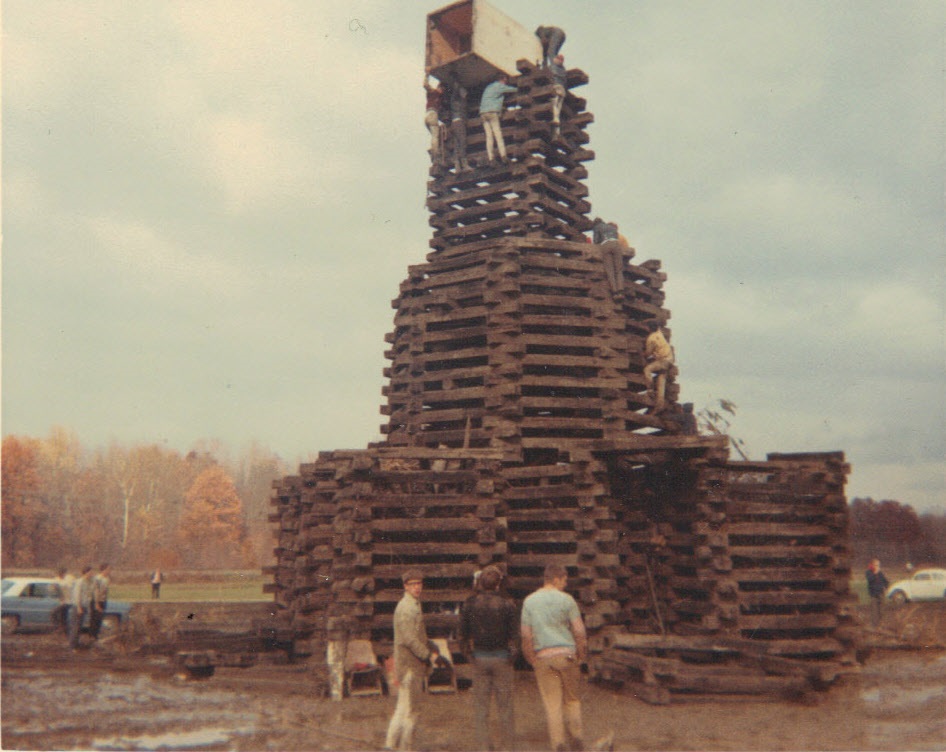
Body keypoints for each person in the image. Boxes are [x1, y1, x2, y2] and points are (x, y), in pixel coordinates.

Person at [521, 563, 587, 752]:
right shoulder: (567, 600)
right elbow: (579, 631)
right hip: (567, 655)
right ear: (556, 579)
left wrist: (531, 658)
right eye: (564, 580)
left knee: (552, 704)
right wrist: (581, 654)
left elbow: (526, 635)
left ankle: (558, 744)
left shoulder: (529, 601)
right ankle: (576, 738)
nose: (565, 584)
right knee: (572, 700)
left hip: (543, 657)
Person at [460, 565, 519, 751]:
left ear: (480, 583)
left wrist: (469, 656)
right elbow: (515, 636)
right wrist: (511, 657)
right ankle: (507, 747)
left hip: (479, 658)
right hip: (502, 658)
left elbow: (462, 636)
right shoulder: (507, 605)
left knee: (481, 707)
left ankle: (484, 747)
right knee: (505, 707)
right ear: (498, 584)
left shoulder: (469, 604)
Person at [384, 569, 440, 752]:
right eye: (413, 584)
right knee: (412, 711)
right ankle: (405, 748)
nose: (417, 587)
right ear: (405, 586)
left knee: (402, 708)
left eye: (419, 584)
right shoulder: (406, 608)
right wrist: (428, 655)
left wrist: (429, 646)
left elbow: (417, 635)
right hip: (409, 666)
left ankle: (389, 745)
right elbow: (409, 639)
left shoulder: (414, 604)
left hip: (410, 665)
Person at [480, 74, 518, 165]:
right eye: (506, 81)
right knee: (498, 134)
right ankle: (503, 156)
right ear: (503, 79)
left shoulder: (489, 86)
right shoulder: (500, 86)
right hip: (492, 112)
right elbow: (514, 90)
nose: (506, 83)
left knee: (489, 136)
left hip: (483, 113)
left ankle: (491, 158)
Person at [643, 321, 674, 414]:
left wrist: (643, 355)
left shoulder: (651, 338)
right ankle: (659, 406)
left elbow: (648, 353)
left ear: (649, 328)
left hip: (663, 361)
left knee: (647, 369)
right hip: (670, 360)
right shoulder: (659, 333)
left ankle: (650, 390)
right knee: (661, 383)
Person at [591, 217, 626, 296]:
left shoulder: (597, 227)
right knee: (618, 269)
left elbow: (596, 241)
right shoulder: (612, 227)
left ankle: (615, 292)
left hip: (606, 245)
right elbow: (616, 236)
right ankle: (620, 290)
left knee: (610, 270)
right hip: (616, 244)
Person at [447, 77, 471, 172]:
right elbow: (456, 89)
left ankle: (457, 166)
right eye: (463, 92)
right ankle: (464, 165)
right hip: (459, 122)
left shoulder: (461, 101)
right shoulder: (456, 100)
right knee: (462, 142)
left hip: (455, 123)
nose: (465, 94)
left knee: (457, 144)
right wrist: (456, 80)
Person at [69, 566, 94, 650]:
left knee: (79, 627)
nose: (92, 574)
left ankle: (77, 644)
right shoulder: (80, 582)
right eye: (90, 572)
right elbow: (77, 595)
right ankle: (73, 646)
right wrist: (79, 607)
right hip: (78, 607)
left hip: (84, 606)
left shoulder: (87, 582)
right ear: (86, 572)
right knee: (76, 627)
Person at [424, 77, 446, 166]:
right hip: (432, 114)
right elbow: (425, 85)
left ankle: (433, 152)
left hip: (427, 115)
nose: (442, 91)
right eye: (442, 89)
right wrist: (427, 75)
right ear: (439, 87)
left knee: (435, 137)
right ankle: (436, 157)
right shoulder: (434, 92)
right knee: (435, 137)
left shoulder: (437, 96)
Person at [89, 562, 111, 640]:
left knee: (99, 619)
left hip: (103, 600)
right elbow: (95, 591)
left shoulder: (107, 579)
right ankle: (92, 636)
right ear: (103, 570)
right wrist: (96, 603)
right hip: (96, 601)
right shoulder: (97, 579)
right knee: (94, 619)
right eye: (108, 569)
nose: (109, 571)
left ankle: (96, 636)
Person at [866, 558, 889, 627]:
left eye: (879, 565)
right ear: (872, 565)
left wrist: (886, 587)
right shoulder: (868, 572)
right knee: (874, 611)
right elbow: (870, 580)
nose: (878, 567)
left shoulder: (880, 573)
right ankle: (874, 625)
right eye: (876, 565)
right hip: (873, 594)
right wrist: (875, 573)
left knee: (882, 610)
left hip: (881, 593)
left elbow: (886, 581)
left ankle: (882, 624)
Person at [549, 53, 567, 139]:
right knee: (559, 106)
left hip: (556, 87)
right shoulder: (563, 69)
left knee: (554, 103)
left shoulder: (553, 67)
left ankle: (555, 119)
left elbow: (550, 74)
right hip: (562, 89)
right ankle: (557, 131)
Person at [53, 567, 75, 635]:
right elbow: (55, 588)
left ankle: (60, 628)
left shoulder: (69, 578)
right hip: (63, 601)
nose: (60, 575)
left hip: (69, 601)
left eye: (62, 573)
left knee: (54, 613)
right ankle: (65, 631)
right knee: (63, 616)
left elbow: (67, 586)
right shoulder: (57, 579)